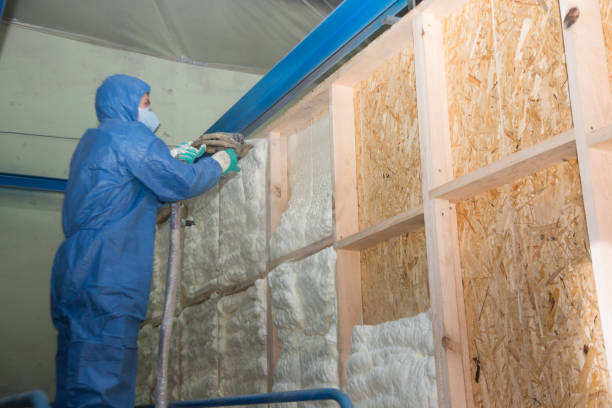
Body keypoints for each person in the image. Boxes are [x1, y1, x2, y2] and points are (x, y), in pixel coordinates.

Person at [50, 74, 239, 407]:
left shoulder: (94, 142)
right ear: (125, 102)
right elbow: (179, 183)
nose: (151, 112)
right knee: (104, 379)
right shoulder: (129, 135)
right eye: (146, 103)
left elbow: (126, 188)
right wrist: (219, 162)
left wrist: (171, 155)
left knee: (77, 375)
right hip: (108, 271)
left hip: (75, 271)